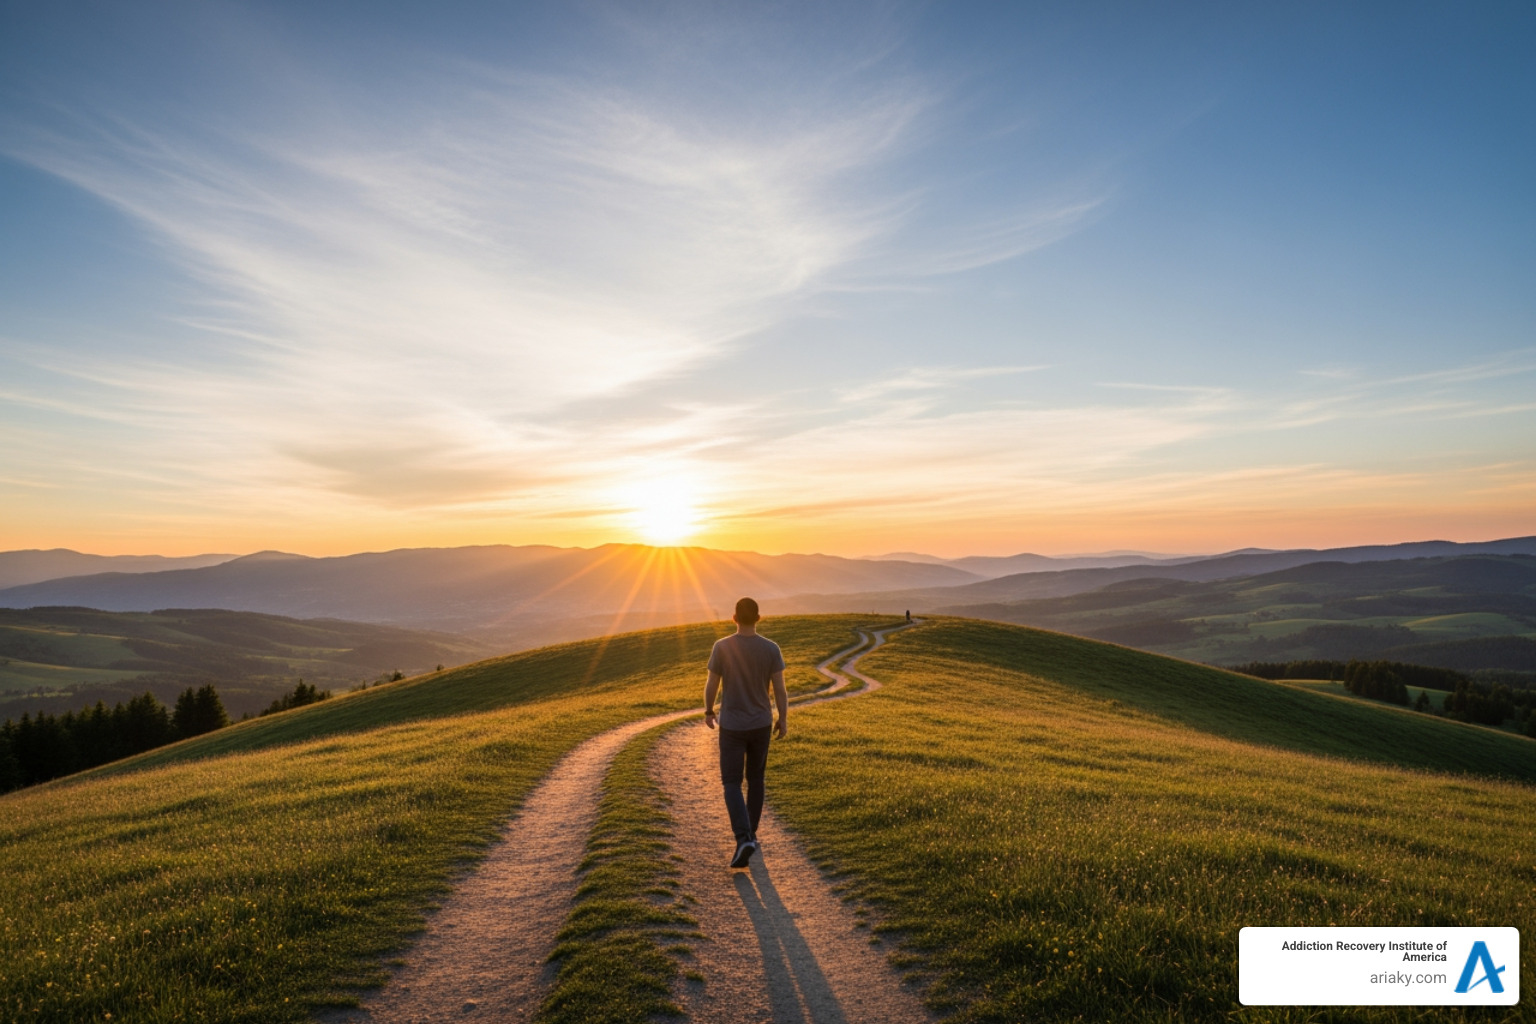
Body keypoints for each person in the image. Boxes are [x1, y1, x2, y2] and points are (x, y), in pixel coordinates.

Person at [704, 597, 787, 869]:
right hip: (761, 723)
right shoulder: (771, 648)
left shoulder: (722, 647)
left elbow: (712, 684)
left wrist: (708, 710)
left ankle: (743, 837)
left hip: (732, 725)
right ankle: (751, 835)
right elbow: (780, 690)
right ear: (758, 618)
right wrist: (782, 719)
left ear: (734, 617)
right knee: (756, 779)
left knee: (731, 782)